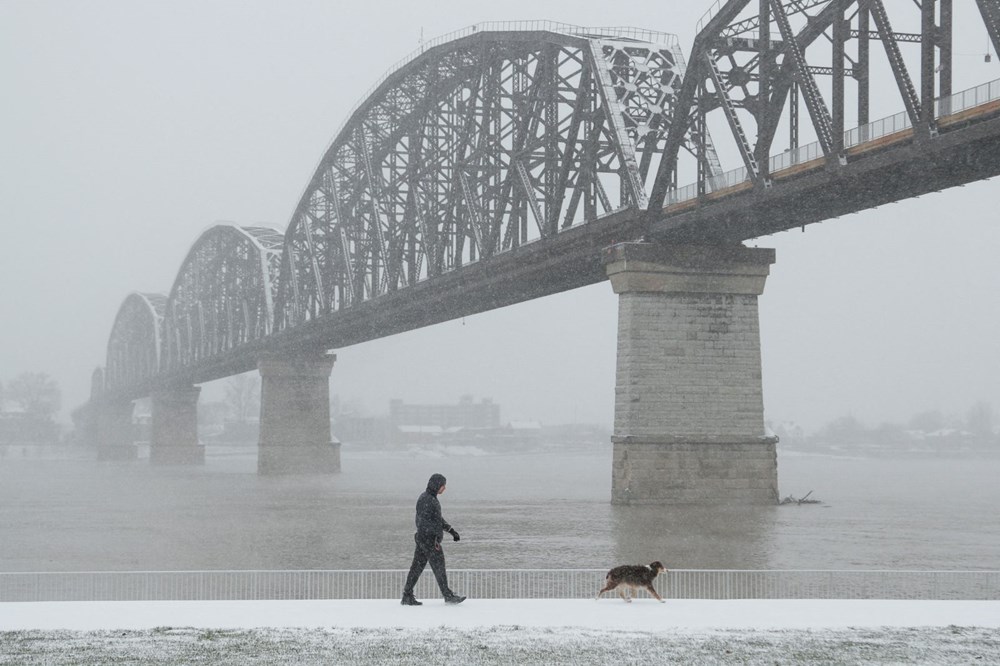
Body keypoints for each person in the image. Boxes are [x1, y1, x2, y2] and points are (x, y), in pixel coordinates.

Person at [401, 473, 466, 605]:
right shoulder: (428, 500)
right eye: (443, 485)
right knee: (439, 568)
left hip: (422, 539)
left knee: (416, 568)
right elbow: (426, 522)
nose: (444, 488)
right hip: (429, 541)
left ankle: (407, 595)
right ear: (437, 485)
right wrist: (434, 540)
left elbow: (436, 519)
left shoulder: (427, 498)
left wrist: (451, 530)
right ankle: (448, 596)